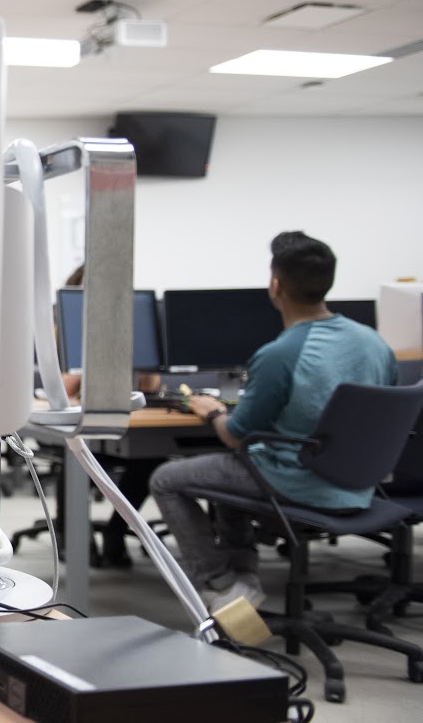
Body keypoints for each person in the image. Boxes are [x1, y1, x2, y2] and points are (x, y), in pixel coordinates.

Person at [150, 231, 398, 612]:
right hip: (360, 482)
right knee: (236, 467)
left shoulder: (281, 353)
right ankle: (243, 574)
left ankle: (219, 583)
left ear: (276, 285)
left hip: (300, 480)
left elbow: (234, 436)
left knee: (167, 479)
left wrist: (212, 411)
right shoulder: (374, 343)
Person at [57, 262, 162, 567]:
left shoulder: (132, 324)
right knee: (75, 460)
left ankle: (116, 532)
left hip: (124, 425)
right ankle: (74, 538)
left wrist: (134, 354)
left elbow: (150, 386)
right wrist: (96, 352)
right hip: (79, 426)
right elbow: (64, 387)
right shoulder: (64, 323)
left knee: (151, 459)